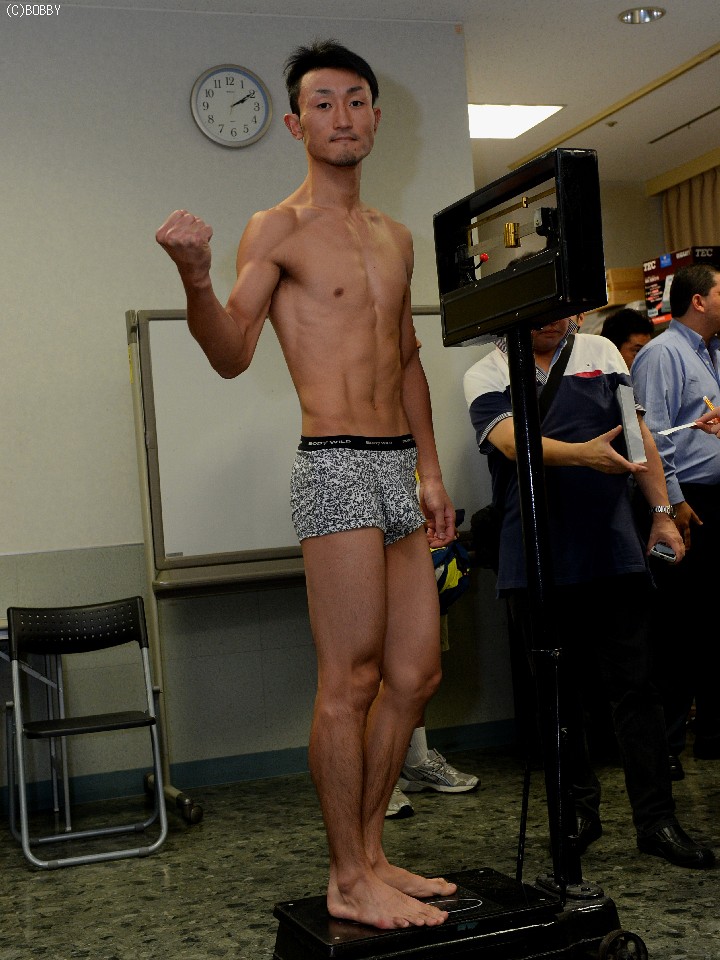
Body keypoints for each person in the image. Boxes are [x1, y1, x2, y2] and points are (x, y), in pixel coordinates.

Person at [156, 40, 458, 930]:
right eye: (322, 103)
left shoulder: (397, 238)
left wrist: (431, 470)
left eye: (355, 100)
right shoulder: (276, 228)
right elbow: (230, 352)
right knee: (350, 679)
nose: (341, 116)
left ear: (375, 117)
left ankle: (371, 853)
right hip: (334, 465)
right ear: (296, 125)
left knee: (417, 673)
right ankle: (346, 876)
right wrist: (195, 278)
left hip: (397, 466)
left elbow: (407, 356)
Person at [463, 310, 715, 869]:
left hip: (611, 547)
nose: (555, 322)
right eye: (541, 314)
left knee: (638, 689)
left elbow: (637, 436)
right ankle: (578, 812)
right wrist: (584, 455)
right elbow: (511, 444)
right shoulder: (486, 373)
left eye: (564, 312)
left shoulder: (601, 354)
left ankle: (657, 820)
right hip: (533, 552)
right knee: (557, 695)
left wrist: (662, 514)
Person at [631, 263, 720, 777]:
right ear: (698, 301)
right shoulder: (662, 353)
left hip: (714, 498)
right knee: (678, 626)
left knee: (712, 622)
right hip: (686, 501)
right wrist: (674, 501)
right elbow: (653, 434)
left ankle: (711, 735)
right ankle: (663, 749)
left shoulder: (710, 351)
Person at [386, 521, 479, 819]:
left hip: (416, 559)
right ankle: (379, 777)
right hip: (376, 561)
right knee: (380, 674)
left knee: (420, 674)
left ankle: (415, 762)